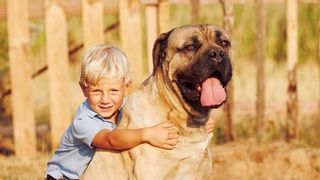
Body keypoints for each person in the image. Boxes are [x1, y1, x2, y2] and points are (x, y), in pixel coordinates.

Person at [45, 44, 214, 180]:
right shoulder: (83, 121)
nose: (105, 99)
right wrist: (146, 134)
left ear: (126, 88)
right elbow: (110, 140)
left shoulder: (127, 107)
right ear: (84, 89)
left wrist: (197, 123)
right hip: (65, 176)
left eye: (113, 91)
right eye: (97, 92)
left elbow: (162, 116)